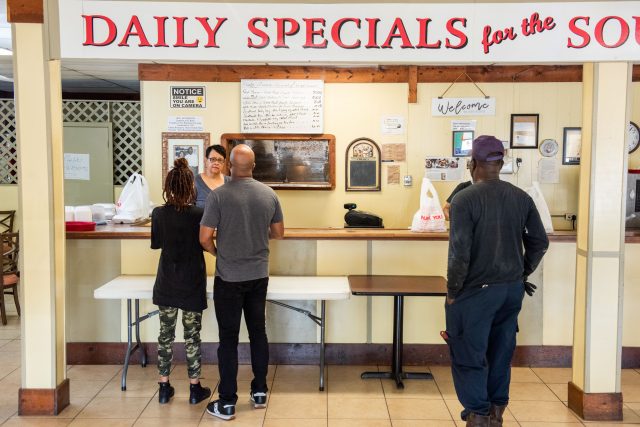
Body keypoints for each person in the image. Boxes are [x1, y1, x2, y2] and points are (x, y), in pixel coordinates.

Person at [445, 135, 549, 427]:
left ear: (472, 164)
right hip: (511, 291)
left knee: (469, 354)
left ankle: (478, 415)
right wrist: (521, 273)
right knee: (501, 352)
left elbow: (459, 253)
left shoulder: (463, 200)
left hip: (474, 293)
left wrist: (453, 292)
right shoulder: (521, 197)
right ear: (501, 164)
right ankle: (496, 414)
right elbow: (540, 243)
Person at [200, 144, 285, 421]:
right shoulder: (269, 194)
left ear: (229, 166)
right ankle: (259, 391)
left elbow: (204, 238)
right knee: (258, 332)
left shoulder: (218, 196)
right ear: (254, 166)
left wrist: (218, 252)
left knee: (228, 339)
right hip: (259, 274)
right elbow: (279, 233)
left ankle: (226, 402)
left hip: (229, 276)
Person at [150, 157, 212, 405]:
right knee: (192, 336)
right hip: (191, 283)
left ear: (169, 186)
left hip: (166, 281)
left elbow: (156, 244)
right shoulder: (200, 213)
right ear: (191, 187)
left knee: (165, 334)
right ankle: (195, 388)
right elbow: (206, 242)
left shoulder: (158, 213)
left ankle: (164, 387)